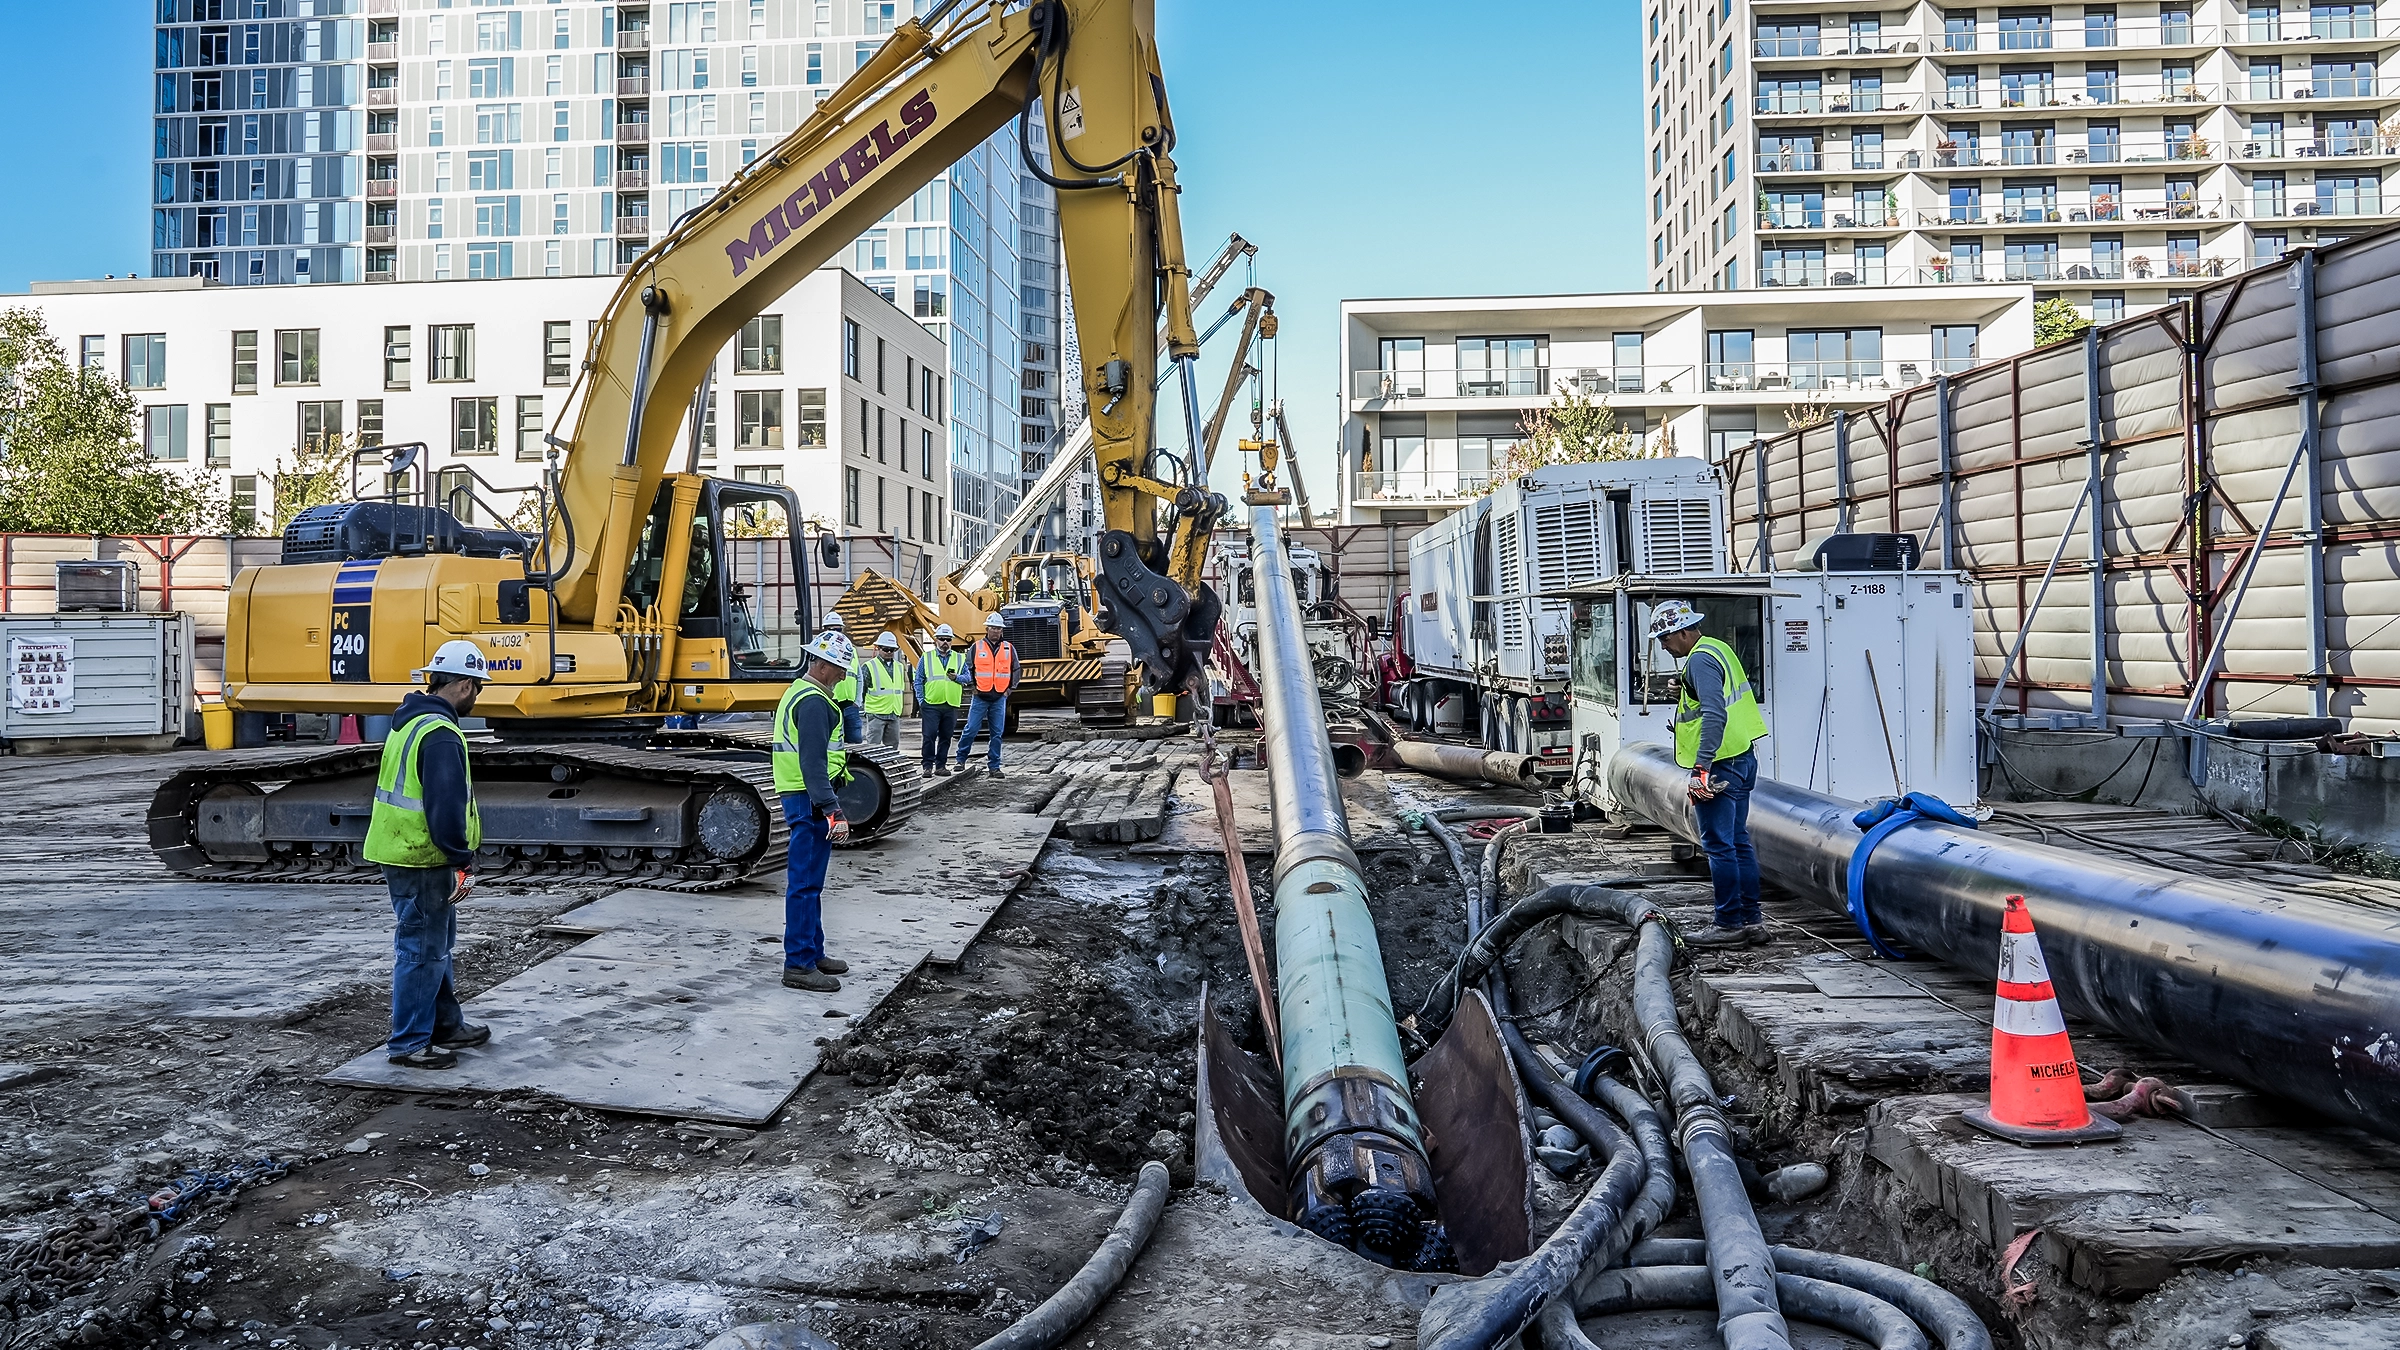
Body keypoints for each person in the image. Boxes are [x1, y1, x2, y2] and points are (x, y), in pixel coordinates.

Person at [363, 640, 494, 1069]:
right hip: (421, 855)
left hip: (406, 849)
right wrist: (461, 859)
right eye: (478, 687)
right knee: (421, 948)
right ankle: (409, 1043)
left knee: (434, 944)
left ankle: (444, 1026)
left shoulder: (411, 722)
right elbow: (444, 805)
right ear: (464, 685)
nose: (478, 696)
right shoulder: (439, 734)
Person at [1653, 601, 1771, 947]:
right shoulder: (1715, 648)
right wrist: (1684, 688)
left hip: (1720, 764)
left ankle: (1728, 924)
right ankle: (1752, 921)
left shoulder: (1700, 659)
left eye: (1665, 637)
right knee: (1737, 842)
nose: (1663, 645)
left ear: (1684, 631)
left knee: (1719, 846)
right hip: (1742, 757)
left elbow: (1715, 713)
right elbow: (1712, 697)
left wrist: (1702, 767)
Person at [771, 631, 857, 992]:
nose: (842, 676)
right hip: (808, 799)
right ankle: (799, 965)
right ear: (822, 666)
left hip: (803, 797)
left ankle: (812, 952)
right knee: (805, 884)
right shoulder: (813, 702)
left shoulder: (802, 694)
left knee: (811, 883)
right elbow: (812, 763)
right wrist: (831, 808)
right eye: (839, 669)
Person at [954, 614, 1018, 777]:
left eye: (999, 628)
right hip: (980, 696)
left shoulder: (1009, 648)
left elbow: (1016, 669)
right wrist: (972, 687)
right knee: (971, 729)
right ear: (987, 629)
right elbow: (967, 669)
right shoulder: (977, 647)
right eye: (993, 628)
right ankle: (960, 760)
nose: (996, 631)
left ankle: (994, 766)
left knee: (997, 733)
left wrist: (1009, 689)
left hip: (999, 697)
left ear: (1002, 630)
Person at [915, 623, 966, 775]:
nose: (945, 642)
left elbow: (968, 677)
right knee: (929, 735)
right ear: (936, 640)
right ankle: (927, 766)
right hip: (931, 704)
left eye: (948, 639)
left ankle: (941, 766)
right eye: (942, 639)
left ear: (952, 641)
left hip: (950, 704)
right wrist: (921, 701)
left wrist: (957, 677)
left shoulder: (959, 658)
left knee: (946, 737)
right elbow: (918, 680)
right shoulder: (926, 657)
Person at [818, 611, 865, 745]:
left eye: (837, 629)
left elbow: (858, 677)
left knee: (855, 741)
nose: (834, 632)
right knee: (831, 741)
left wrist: (857, 701)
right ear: (824, 629)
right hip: (831, 702)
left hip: (850, 704)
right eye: (830, 629)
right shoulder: (818, 650)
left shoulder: (851, 651)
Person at [858, 631, 908, 749]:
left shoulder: (900, 667)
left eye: (892, 650)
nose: (889, 652)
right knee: (872, 748)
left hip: (893, 713)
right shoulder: (869, 666)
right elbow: (862, 690)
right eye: (886, 649)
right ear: (878, 648)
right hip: (876, 714)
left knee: (892, 748)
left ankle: (889, 767)